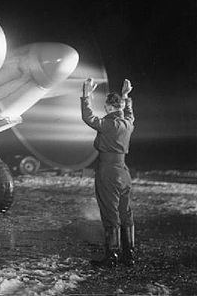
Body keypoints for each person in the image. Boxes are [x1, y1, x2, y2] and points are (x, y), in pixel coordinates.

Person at [81, 77, 136, 268]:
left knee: (109, 213)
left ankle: (112, 256)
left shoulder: (109, 124)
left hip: (108, 171)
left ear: (108, 107)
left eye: (105, 106)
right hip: (124, 171)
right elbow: (129, 112)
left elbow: (88, 117)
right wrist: (126, 96)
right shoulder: (128, 123)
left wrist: (86, 95)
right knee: (125, 212)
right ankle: (129, 255)